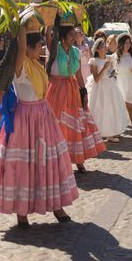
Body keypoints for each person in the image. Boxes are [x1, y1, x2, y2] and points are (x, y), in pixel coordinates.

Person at [0, 24, 78, 228]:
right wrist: (21, 27)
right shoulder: (21, 66)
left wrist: (46, 30)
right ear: (27, 48)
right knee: (24, 164)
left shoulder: (37, 64)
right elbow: (19, 49)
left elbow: (51, 52)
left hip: (43, 115)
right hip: (25, 118)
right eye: (38, 46)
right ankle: (22, 212)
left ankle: (57, 205)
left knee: (50, 162)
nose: (41, 49)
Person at [46, 19, 105, 173]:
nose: (74, 37)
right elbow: (48, 36)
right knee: (58, 125)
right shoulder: (54, 49)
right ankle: (57, 160)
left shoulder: (76, 52)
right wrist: (51, 21)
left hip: (72, 90)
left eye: (74, 34)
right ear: (63, 37)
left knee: (75, 125)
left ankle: (78, 160)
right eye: (71, 35)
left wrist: (83, 90)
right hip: (55, 90)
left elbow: (78, 73)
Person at [86, 38, 128, 142]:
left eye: (105, 46)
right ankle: (97, 134)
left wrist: (112, 72)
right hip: (100, 88)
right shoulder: (93, 61)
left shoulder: (110, 59)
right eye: (103, 46)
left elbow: (113, 72)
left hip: (111, 87)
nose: (105, 47)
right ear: (97, 50)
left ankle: (110, 134)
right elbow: (96, 79)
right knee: (99, 110)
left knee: (111, 109)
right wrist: (104, 68)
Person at [114, 33, 132, 138]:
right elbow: (111, 71)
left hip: (130, 83)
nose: (128, 45)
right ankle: (118, 130)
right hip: (119, 83)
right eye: (125, 43)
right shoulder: (115, 57)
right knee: (119, 108)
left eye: (129, 43)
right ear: (120, 44)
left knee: (131, 107)